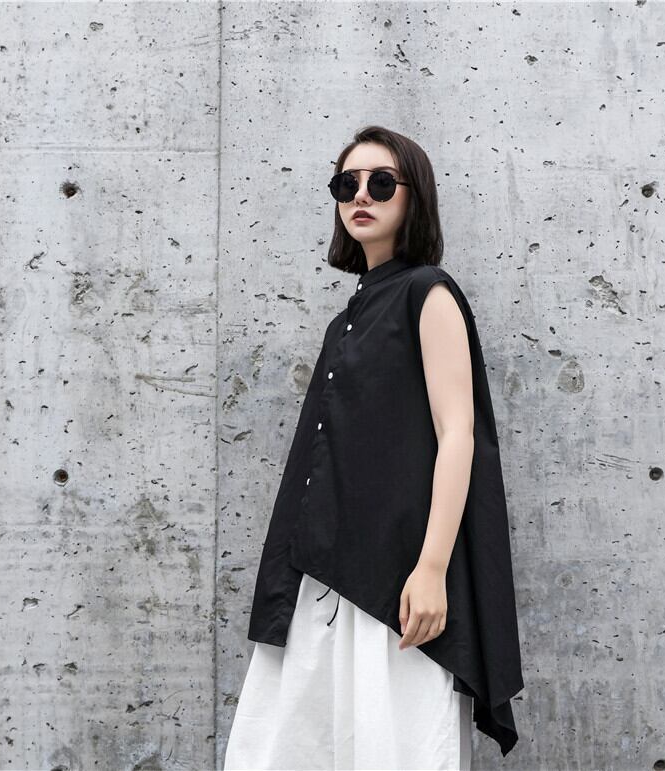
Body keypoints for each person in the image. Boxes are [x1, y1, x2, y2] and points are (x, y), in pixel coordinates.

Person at [224, 126, 523, 770]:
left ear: (414, 196)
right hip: (323, 568)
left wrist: (432, 568)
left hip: (396, 578)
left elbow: (458, 435)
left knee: (395, 745)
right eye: (347, 184)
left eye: (381, 183)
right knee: (296, 748)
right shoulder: (347, 318)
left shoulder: (428, 292)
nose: (361, 195)